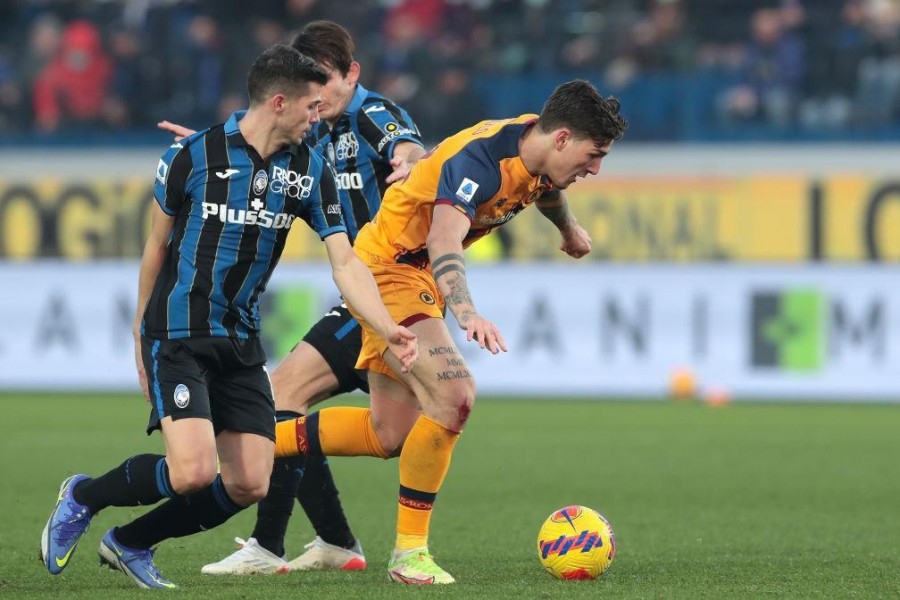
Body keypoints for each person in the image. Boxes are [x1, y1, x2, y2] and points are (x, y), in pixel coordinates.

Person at [39, 44, 417, 590]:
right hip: (179, 332)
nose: (319, 117)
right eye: (312, 107)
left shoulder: (311, 168)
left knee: (250, 484)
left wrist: (385, 326)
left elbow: (346, 261)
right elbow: (155, 249)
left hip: (241, 343)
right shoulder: (191, 156)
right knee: (192, 473)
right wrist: (140, 333)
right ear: (281, 102)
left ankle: (131, 541)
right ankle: (83, 495)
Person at [272, 79, 628, 584]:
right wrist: (465, 313)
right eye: (595, 156)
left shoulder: (540, 149)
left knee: (387, 433)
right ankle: (409, 556)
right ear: (564, 139)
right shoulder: (480, 161)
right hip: (389, 270)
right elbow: (443, 238)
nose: (595, 169)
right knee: (455, 395)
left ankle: (255, 441)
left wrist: (567, 230)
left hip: (410, 275)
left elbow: (547, 190)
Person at [159, 20, 426, 575]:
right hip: (366, 299)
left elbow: (404, 141)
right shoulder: (314, 131)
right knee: (288, 401)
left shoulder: (371, 114)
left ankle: (282, 546)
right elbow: (264, 148)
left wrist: (409, 158)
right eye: (309, 88)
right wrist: (216, 153)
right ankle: (327, 542)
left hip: (392, 294)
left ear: (352, 75)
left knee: (286, 400)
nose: (318, 97)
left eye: (326, 81)